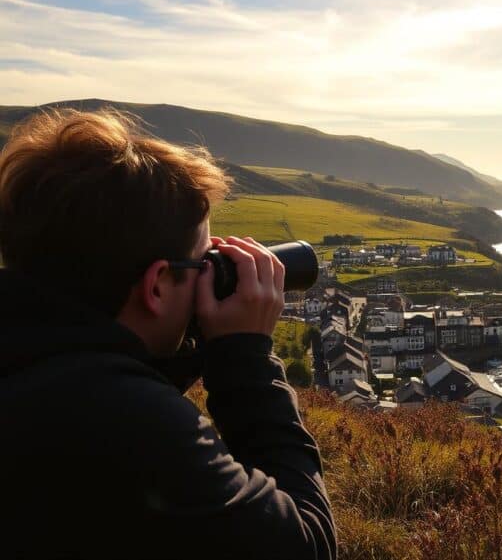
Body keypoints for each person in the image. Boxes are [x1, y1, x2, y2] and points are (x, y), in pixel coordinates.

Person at [0, 109, 336, 559]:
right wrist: (244, 358)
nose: (210, 272)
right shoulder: (128, 419)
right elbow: (305, 545)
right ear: (157, 285)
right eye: (204, 260)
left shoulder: (40, 369)